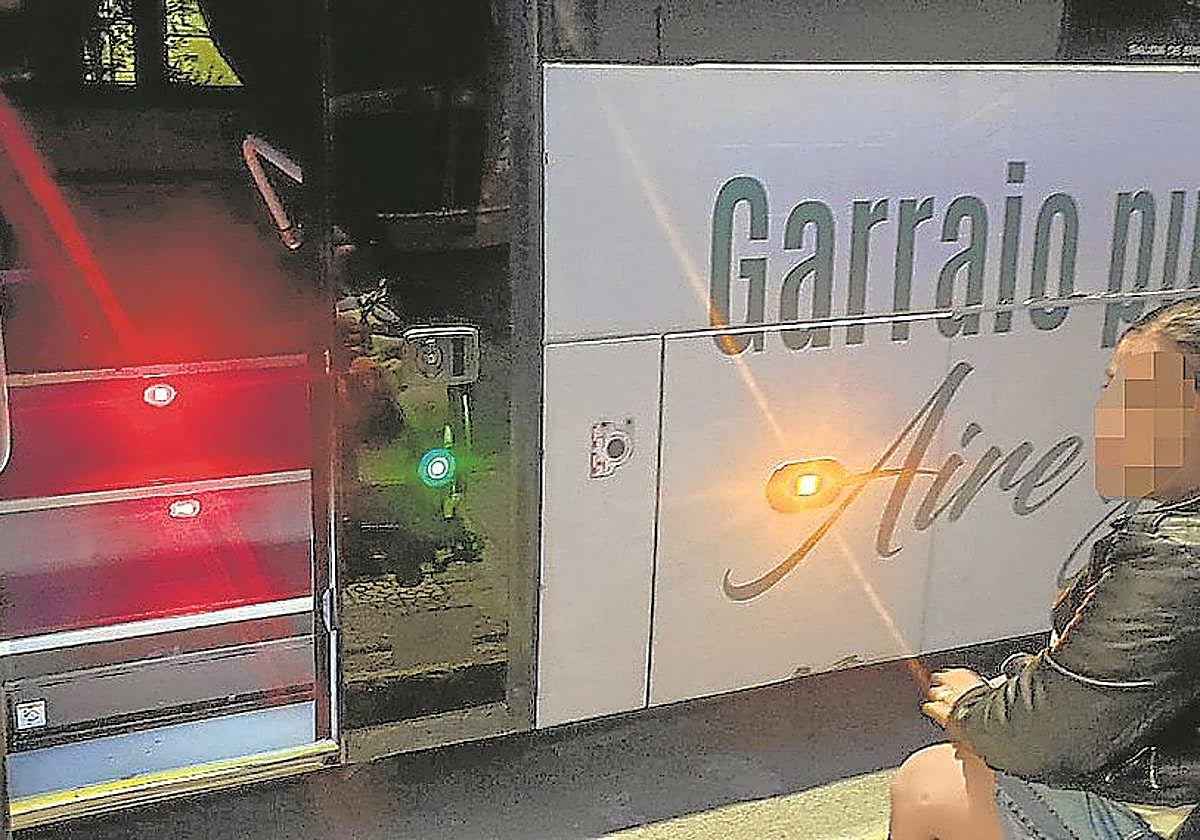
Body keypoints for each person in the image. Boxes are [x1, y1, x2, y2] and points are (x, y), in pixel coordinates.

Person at [888, 297, 1200, 840]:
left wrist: (972, 706)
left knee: (931, 783)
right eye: (1111, 387)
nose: (1112, 416)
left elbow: (1046, 735)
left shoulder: (1178, 555)